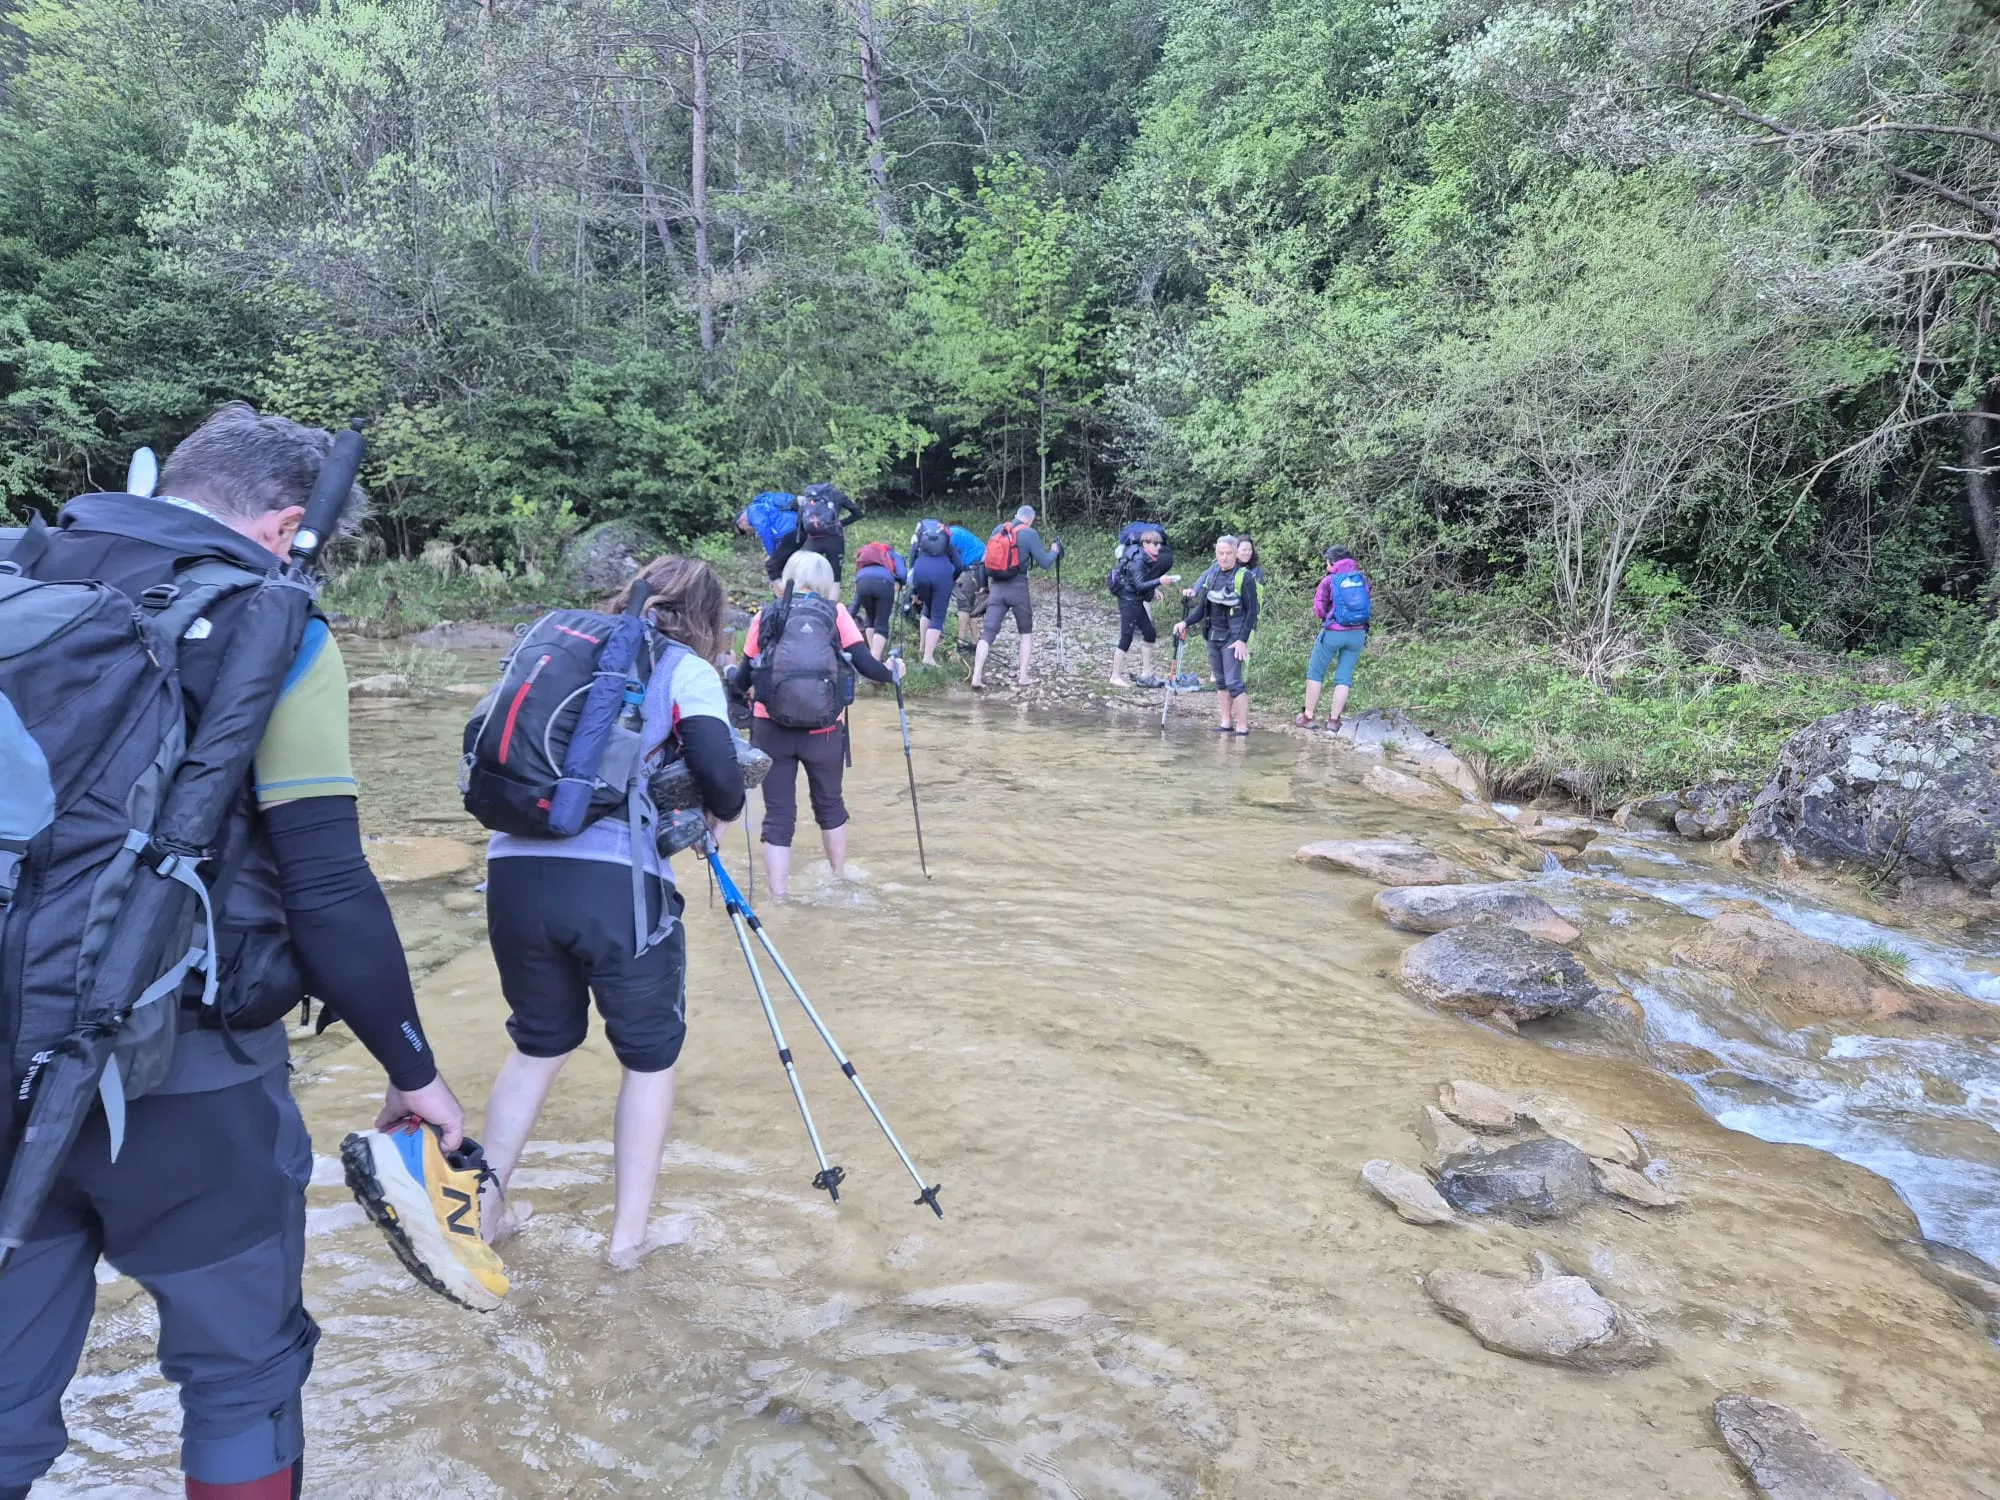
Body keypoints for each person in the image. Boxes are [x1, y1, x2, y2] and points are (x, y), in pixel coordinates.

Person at [0, 403, 483, 1500]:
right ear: (280, 529)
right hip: (185, 1079)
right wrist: (414, 1073)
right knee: (241, 1376)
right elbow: (325, 884)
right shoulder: (273, 628)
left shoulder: (20, 576)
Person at [474, 556, 746, 1272]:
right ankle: (627, 1244)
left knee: (538, 1042)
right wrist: (719, 810)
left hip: (512, 869)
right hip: (616, 885)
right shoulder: (684, 666)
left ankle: (486, 1212)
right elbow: (720, 770)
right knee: (649, 1060)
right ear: (708, 616)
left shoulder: (561, 644)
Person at [741, 550, 901, 899]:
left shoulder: (767, 615)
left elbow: (742, 677)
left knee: (778, 817)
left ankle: (778, 898)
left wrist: (731, 684)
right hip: (825, 731)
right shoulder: (836, 613)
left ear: (788, 578)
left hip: (770, 729)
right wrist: (893, 674)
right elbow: (867, 667)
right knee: (830, 805)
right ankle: (838, 879)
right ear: (826, 581)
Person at [972, 505, 1063, 690]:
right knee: (1025, 633)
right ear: (1030, 519)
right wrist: (1054, 551)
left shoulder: (998, 529)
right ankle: (1023, 676)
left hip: (997, 588)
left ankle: (976, 676)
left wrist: (984, 587)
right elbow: (1044, 563)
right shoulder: (1029, 533)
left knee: (988, 634)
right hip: (1018, 589)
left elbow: (984, 560)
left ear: (1016, 516)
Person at [1176, 534, 1259, 735]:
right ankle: (1225, 723)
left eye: (1229, 553)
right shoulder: (1212, 576)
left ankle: (1242, 727)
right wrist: (1185, 622)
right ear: (1216, 554)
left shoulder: (1245, 577)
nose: (1224, 557)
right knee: (1221, 682)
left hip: (1233, 637)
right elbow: (1203, 608)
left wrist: (1242, 640)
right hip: (1213, 635)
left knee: (1234, 683)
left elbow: (1252, 611)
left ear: (1236, 553)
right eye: (1221, 553)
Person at [1301, 546, 1372, 734]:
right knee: (1344, 676)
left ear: (1332, 562)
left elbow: (1319, 609)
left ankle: (1308, 716)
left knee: (1316, 672)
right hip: (1358, 634)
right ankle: (1333, 721)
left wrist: (1328, 618)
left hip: (1333, 632)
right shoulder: (1361, 579)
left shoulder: (1329, 581)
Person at [1108, 527, 1178, 688]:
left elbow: (1140, 583)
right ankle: (1115, 676)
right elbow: (1139, 583)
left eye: (1159, 544)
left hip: (1136, 599)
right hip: (1128, 600)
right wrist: (1159, 581)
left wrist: (1154, 590)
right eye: (1155, 544)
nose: (1158, 547)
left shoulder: (1147, 558)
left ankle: (1147, 672)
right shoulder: (1138, 561)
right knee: (1126, 636)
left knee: (1149, 632)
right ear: (1145, 544)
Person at [906, 519, 961, 667]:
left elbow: (912, 561)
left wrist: (915, 589)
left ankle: (922, 647)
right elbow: (959, 565)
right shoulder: (947, 543)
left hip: (921, 573)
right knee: (937, 616)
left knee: (927, 609)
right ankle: (928, 657)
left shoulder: (920, 542)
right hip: (942, 576)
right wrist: (952, 578)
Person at [788, 481, 864, 583]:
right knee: (835, 577)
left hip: (813, 539)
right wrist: (841, 523)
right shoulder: (836, 495)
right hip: (834, 538)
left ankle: (812, 598)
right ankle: (831, 599)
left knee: (810, 574)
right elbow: (858, 513)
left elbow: (798, 520)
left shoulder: (807, 498)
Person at [849, 537, 906, 660]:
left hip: (862, 581)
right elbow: (902, 575)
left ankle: (873, 654)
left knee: (870, 618)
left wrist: (850, 615)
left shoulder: (865, 553)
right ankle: (875, 660)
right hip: (883, 583)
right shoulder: (891, 553)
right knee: (881, 622)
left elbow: (856, 600)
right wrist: (897, 580)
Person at [735, 490, 798, 585]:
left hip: (786, 532)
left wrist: (772, 554)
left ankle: (781, 593)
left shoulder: (753, 511)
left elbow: (765, 533)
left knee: (774, 565)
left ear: (742, 521)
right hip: (797, 526)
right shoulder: (765, 503)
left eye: (744, 529)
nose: (748, 531)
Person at [946, 521, 988, 653]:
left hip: (975, 565)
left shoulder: (948, 539)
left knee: (963, 605)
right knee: (970, 607)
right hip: (979, 563)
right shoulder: (950, 533)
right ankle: (978, 642)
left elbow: (955, 564)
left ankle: (961, 643)